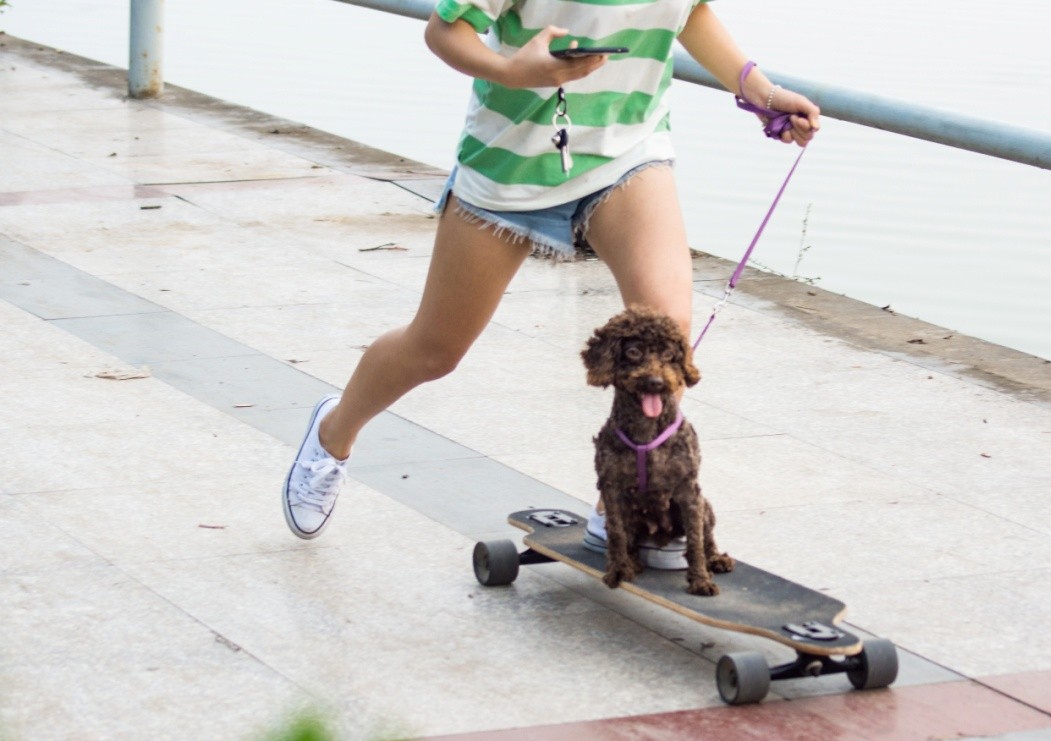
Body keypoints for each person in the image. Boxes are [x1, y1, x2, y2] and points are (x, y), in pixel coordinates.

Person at [283, 0, 820, 554]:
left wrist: (759, 89)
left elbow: (690, 12)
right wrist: (517, 71)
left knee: (664, 329)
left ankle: (624, 502)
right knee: (434, 350)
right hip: (510, 167)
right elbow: (446, 31)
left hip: (626, 149)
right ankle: (334, 431)